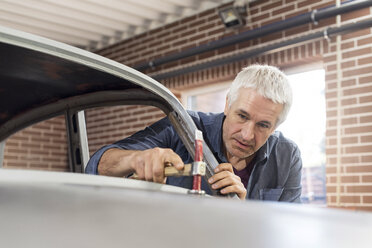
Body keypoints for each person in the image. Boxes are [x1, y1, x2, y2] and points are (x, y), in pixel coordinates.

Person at [86, 64, 302, 202]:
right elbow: (96, 166)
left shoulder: (286, 156)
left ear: (275, 126)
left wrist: (242, 212)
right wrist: (135, 159)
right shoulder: (182, 127)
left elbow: (288, 228)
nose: (247, 135)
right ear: (227, 104)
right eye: (242, 116)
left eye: (263, 125)